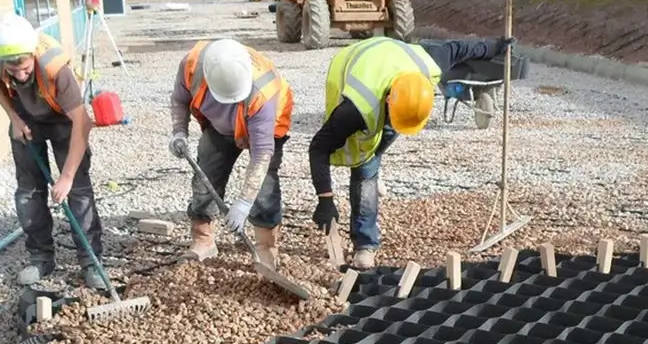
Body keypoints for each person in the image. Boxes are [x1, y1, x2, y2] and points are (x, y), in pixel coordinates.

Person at [309, 35, 514, 270]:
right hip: (351, 68)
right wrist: (325, 200)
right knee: (365, 168)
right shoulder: (356, 107)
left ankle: (367, 229)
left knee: (372, 158)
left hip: (393, 70)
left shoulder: (429, 63)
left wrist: (495, 46)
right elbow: (318, 148)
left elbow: (458, 47)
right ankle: (366, 239)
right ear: (387, 101)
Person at [169, 38, 293, 268]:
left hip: (267, 125)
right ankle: (203, 239)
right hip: (220, 125)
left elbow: (262, 154)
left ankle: (266, 247)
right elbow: (179, 100)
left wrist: (244, 203)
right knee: (205, 176)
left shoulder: (262, 92)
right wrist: (179, 132)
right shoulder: (192, 66)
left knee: (264, 186)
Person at [0, 12, 104, 288]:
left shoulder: (57, 71)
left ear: (32, 54)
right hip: (27, 121)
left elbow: (83, 123)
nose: (20, 75)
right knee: (28, 193)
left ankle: (91, 260)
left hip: (64, 122)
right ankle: (40, 258)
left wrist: (67, 177)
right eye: (12, 70)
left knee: (79, 192)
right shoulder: (4, 58)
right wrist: (14, 118)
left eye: (24, 67)